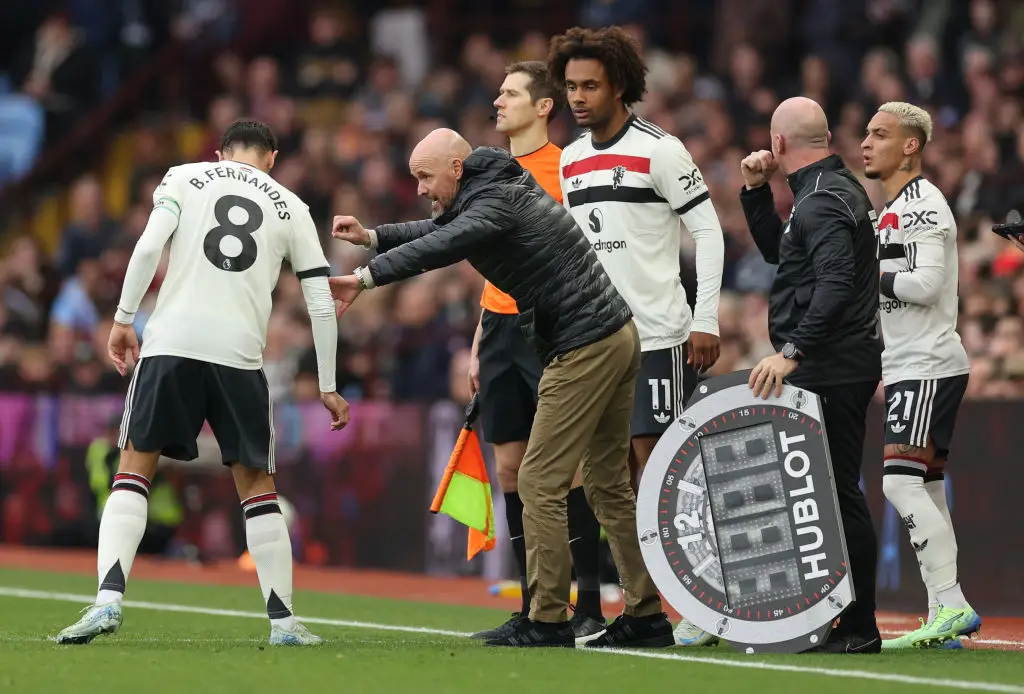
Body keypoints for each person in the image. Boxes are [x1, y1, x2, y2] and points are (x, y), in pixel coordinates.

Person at [330, 128, 675, 648]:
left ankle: (548, 620)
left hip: (584, 344)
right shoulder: (493, 189)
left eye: (424, 176)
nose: (420, 188)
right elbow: (438, 228)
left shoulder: (492, 202)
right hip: (614, 334)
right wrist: (374, 237)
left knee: (538, 480)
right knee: (606, 484)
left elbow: (443, 244)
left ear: (456, 168)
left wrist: (365, 278)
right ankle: (646, 616)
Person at [55, 120, 350, 647]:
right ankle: (283, 624)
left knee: (133, 469)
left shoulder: (184, 176)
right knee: (257, 487)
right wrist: (327, 383)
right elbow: (321, 302)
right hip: (239, 355)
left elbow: (149, 246)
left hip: (170, 343)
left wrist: (123, 319)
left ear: (220, 154)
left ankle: (107, 601)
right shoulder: (292, 206)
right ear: (272, 159)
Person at [547, 26, 726, 645]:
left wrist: (705, 318)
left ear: (619, 85)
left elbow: (710, 233)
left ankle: (706, 603)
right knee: (609, 484)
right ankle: (645, 610)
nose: (577, 97)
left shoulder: (661, 151)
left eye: (589, 85)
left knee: (663, 472)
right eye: (570, 86)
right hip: (597, 342)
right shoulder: (570, 159)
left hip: (657, 337)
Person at [469, 60, 607, 644]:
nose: (498, 102)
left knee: (566, 469)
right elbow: (490, 260)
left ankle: (589, 605)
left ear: (543, 106)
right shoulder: (490, 173)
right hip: (498, 328)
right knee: (509, 467)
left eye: (510, 93)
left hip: (551, 326)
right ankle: (533, 606)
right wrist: (478, 340)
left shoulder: (569, 168)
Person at [740, 97, 883, 654]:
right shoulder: (825, 192)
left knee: (837, 492)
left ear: (778, 143)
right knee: (824, 492)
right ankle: (841, 617)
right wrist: (756, 192)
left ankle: (860, 625)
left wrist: (793, 351)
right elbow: (784, 255)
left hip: (832, 366)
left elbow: (835, 283)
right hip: (837, 362)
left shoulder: (822, 200)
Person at [861, 102, 980, 649]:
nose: (867, 143)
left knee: (899, 482)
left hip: (926, 363)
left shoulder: (925, 204)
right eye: (867, 133)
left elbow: (927, 285)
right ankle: (942, 615)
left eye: (880, 134)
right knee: (927, 488)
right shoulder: (890, 209)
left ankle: (951, 603)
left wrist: (873, 274)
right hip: (914, 362)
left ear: (911, 146)